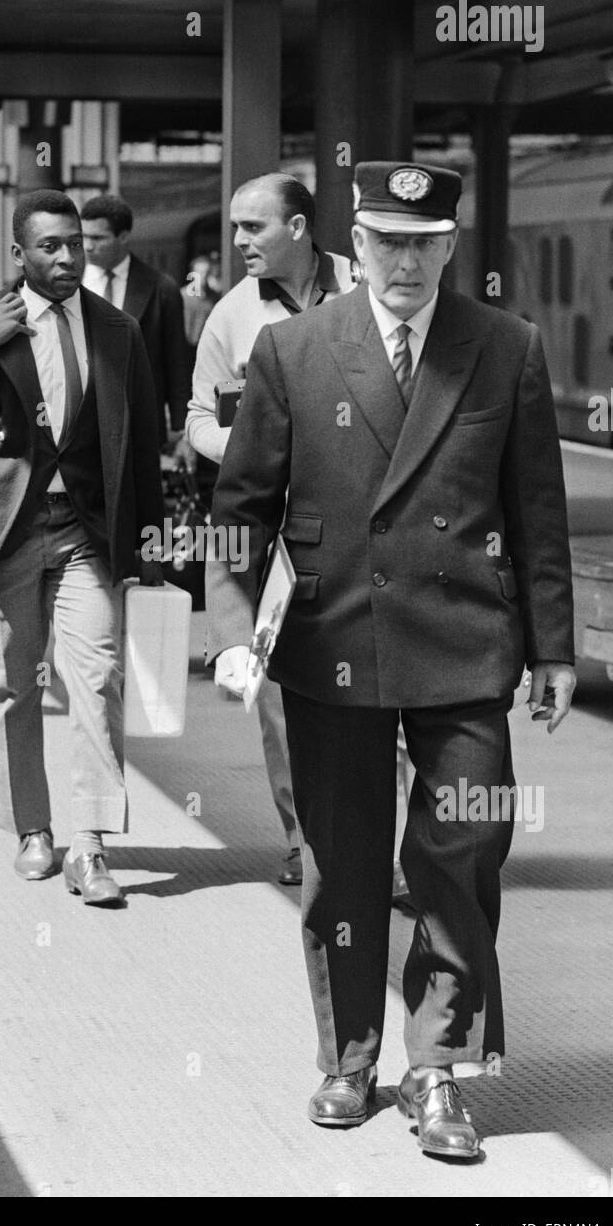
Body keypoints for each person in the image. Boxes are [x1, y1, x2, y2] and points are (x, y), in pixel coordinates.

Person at [208, 161, 576, 1159]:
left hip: (467, 654)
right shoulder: (293, 352)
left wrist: (554, 650)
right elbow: (238, 514)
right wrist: (240, 633)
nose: (404, 260)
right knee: (343, 866)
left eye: (423, 241)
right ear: (354, 244)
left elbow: (537, 510)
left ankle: (440, 1066)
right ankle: (349, 1053)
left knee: (463, 856)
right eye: (385, 240)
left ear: (450, 246)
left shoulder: (506, 348)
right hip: (333, 648)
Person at [0, 189, 165, 906]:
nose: (67, 258)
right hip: (8, 534)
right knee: (14, 686)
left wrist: (148, 553)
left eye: (76, 244)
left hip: (88, 535)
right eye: (50, 247)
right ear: (19, 254)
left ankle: (89, 846)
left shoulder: (118, 330)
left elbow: (141, 444)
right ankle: (33, 828)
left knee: (97, 678)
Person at [187, 172, 355, 887]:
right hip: (283, 539)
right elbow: (197, 419)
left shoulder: (366, 283)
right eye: (233, 227)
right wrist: (254, 446)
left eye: (252, 227)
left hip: (364, 529)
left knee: (391, 701)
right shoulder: (230, 315)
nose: (237, 242)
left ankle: (396, 857)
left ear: (298, 227)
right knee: (284, 704)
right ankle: (305, 842)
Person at [81, 194, 195, 471]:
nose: (87, 246)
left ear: (123, 236)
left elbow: (176, 364)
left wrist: (182, 432)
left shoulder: (161, 288)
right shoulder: (67, 284)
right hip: (79, 421)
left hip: (138, 424)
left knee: (138, 511)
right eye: (83, 237)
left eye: (98, 238)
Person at [181, 251, 222, 351]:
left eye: (206, 272)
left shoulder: (214, 297)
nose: (203, 276)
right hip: (185, 348)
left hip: (206, 348)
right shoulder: (182, 296)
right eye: (200, 273)